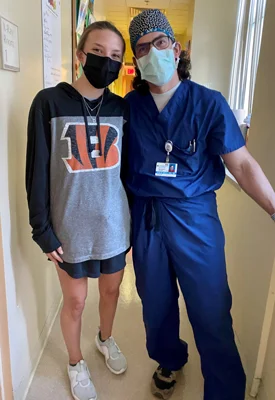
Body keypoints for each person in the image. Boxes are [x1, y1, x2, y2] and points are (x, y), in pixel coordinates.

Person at [123, 9, 275, 400]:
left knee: (210, 309)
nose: (152, 52)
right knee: (155, 304)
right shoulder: (130, 108)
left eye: (159, 43)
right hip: (147, 217)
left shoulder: (208, 103)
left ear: (175, 49)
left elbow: (240, 163)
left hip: (195, 218)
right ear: (136, 61)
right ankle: (169, 359)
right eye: (142, 48)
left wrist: (274, 207)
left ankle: (224, 390)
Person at [26, 21, 130, 400]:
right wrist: (42, 230)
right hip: (69, 228)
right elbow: (36, 170)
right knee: (75, 300)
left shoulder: (122, 108)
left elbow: (129, 172)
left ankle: (105, 339)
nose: (107, 61)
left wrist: (132, 225)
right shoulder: (49, 102)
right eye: (99, 51)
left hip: (114, 226)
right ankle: (75, 362)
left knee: (112, 292)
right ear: (80, 53)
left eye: (116, 56)